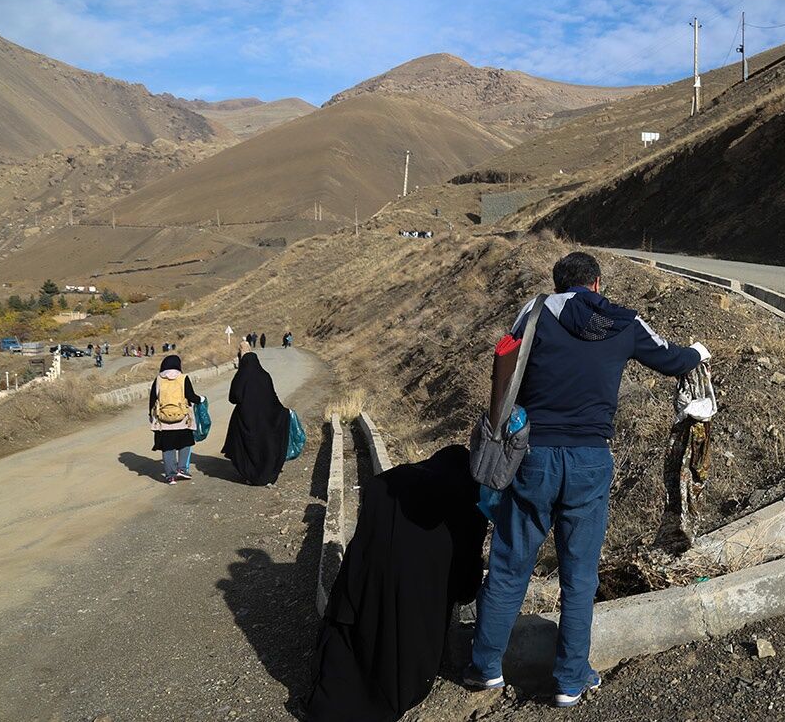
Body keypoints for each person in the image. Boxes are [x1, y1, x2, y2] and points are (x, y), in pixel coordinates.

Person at [466, 252, 709, 706]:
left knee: (509, 565)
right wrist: (697, 352)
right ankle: (571, 679)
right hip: (590, 460)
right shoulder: (624, 321)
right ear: (597, 284)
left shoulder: (535, 312)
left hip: (533, 457)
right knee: (579, 576)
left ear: (559, 285)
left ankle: (485, 668)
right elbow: (672, 361)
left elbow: (505, 365)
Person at [304, 446, 487, 721]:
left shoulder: (392, 481)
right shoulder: (465, 501)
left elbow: (358, 556)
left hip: (369, 585)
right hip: (413, 621)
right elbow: (466, 574)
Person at [221, 351, 290, 486]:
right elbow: (272, 396)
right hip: (266, 418)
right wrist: (283, 412)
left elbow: (233, 398)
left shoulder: (240, 377)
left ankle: (251, 475)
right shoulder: (265, 376)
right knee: (266, 445)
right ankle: (267, 473)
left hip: (245, 418)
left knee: (245, 445)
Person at [148, 355, 204, 485]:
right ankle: (182, 469)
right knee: (184, 444)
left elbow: (152, 399)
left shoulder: (158, 380)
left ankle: (170, 476)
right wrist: (200, 399)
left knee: (168, 448)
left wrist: (151, 415)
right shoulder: (183, 378)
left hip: (164, 421)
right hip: (183, 419)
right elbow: (191, 396)